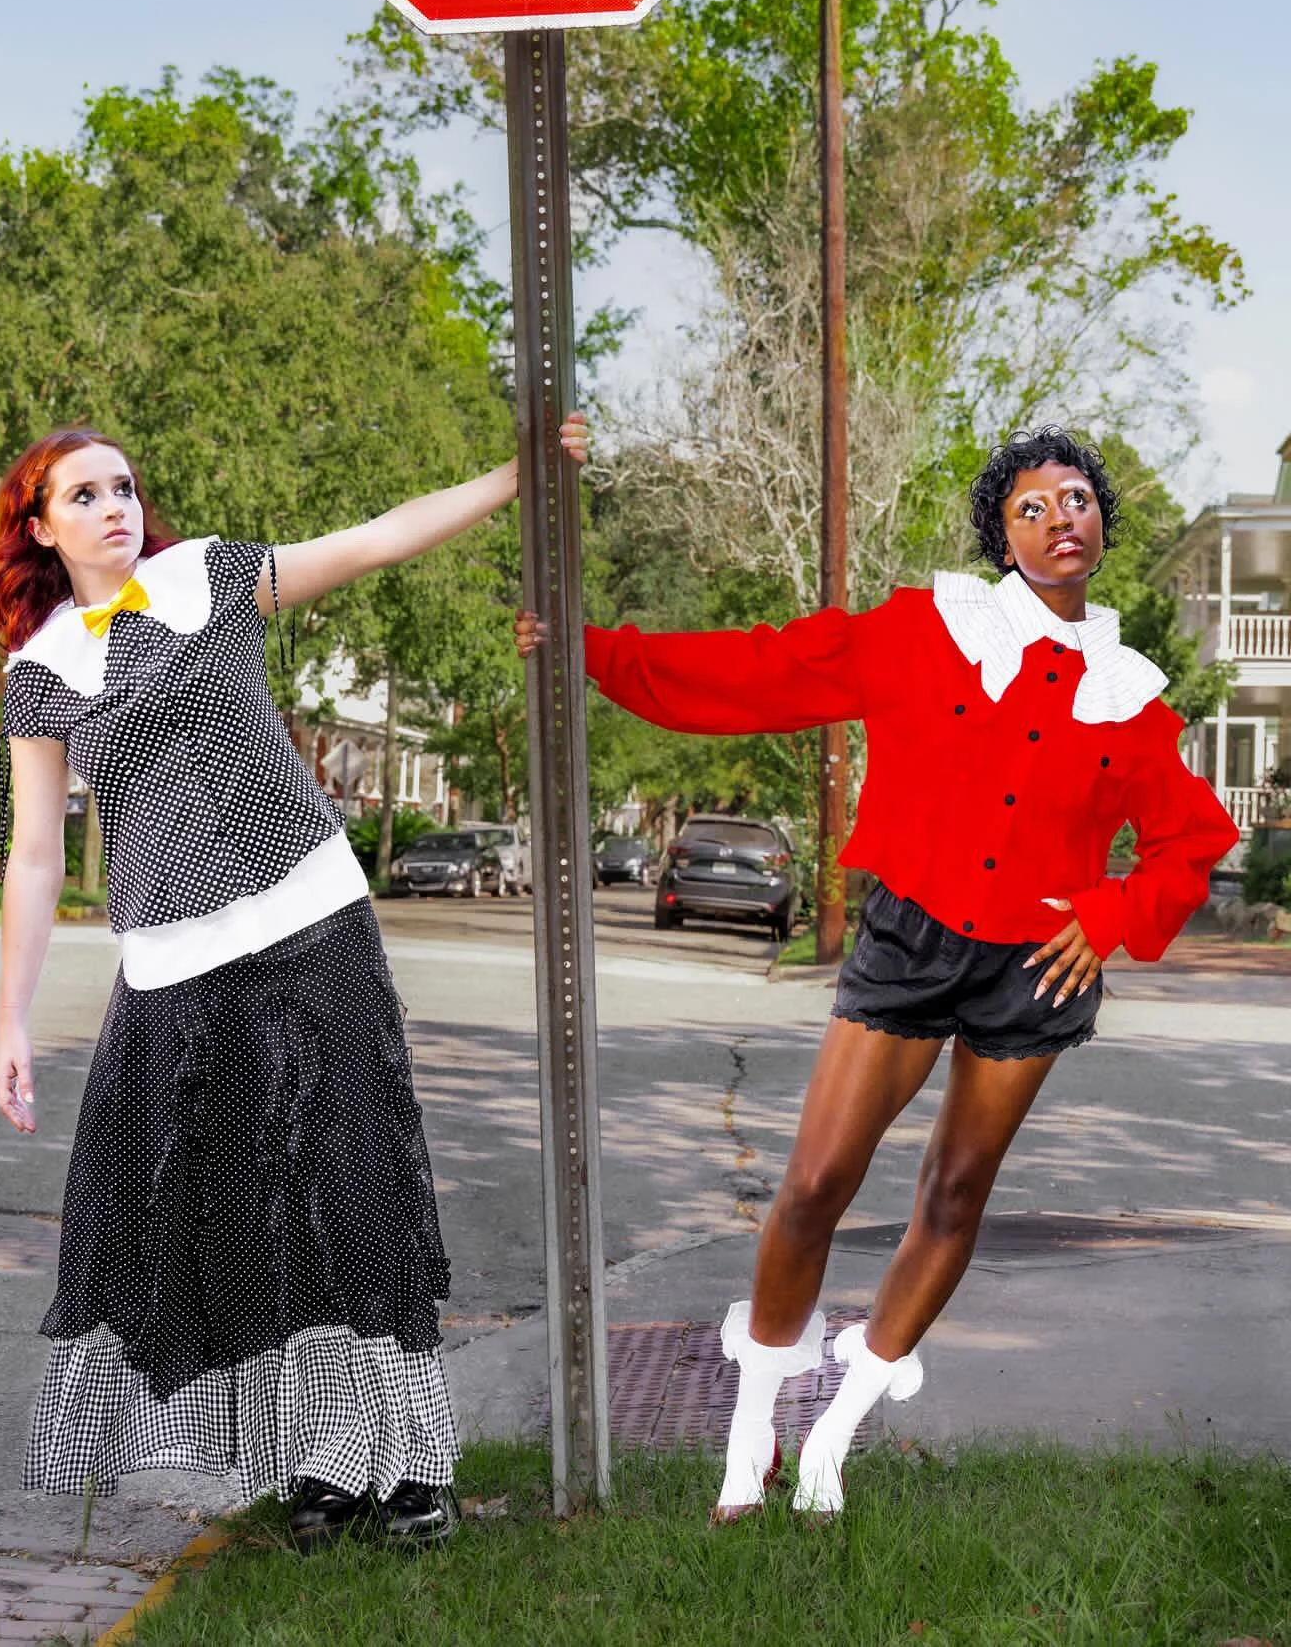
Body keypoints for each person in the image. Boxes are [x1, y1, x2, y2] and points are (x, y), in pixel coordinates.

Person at [516, 427, 1237, 1522]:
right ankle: (754, 1421)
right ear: (1001, 534)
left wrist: (1110, 915)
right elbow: (763, 670)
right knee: (814, 1185)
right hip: (912, 941)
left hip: (1034, 971)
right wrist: (595, 652)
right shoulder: (924, 631)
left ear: (1103, 523)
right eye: (1032, 506)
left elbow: (1193, 840)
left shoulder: (1129, 699)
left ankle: (834, 1436)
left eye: (1078, 500)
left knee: (954, 1195)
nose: (1060, 519)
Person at [0, 414, 587, 1551]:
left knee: (355, 1190)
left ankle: (411, 1468)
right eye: (84, 495)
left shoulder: (210, 577)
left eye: (125, 486)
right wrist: (10, 1018)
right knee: (243, 1223)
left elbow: (377, 538)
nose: (115, 508)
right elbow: (33, 854)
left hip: (313, 926)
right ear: (42, 527)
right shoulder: (39, 673)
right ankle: (325, 1463)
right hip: (175, 974)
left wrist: (519, 475)